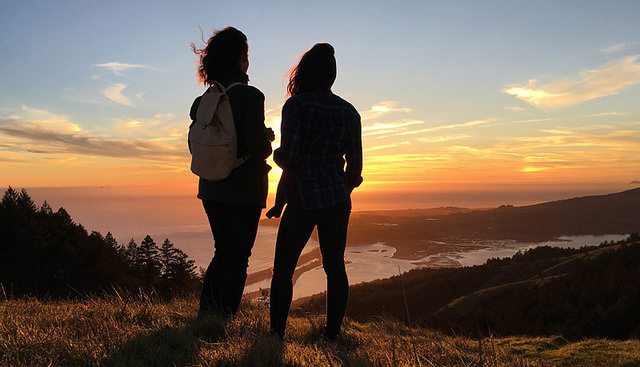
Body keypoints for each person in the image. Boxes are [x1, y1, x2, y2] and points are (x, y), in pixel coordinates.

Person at [268, 43, 363, 340]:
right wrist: (341, 190)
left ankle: (276, 336)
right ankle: (332, 335)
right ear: (332, 75)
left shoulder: (295, 106)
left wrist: (276, 157)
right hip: (336, 200)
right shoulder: (349, 112)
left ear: (303, 73)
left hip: (302, 198)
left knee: (283, 270)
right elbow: (355, 168)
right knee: (335, 268)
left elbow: (291, 159)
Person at [190, 27, 274, 317]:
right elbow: (260, 149)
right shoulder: (251, 96)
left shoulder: (202, 102)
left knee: (221, 251)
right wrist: (267, 137)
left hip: (210, 186)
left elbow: (196, 143)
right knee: (238, 258)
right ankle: (223, 319)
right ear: (241, 58)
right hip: (243, 189)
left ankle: (207, 314)